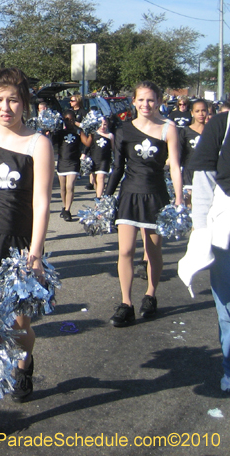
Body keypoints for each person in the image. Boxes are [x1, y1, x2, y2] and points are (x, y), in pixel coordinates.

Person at [0, 67, 53, 407]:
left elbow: (41, 201)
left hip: (20, 246)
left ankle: (24, 363)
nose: (5, 107)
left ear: (24, 104)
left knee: (20, 327)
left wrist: (34, 253)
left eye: (13, 100)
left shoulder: (38, 143)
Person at [105, 81, 183, 327]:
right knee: (126, 251)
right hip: (129, 196)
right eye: (141, 100)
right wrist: (105, 197)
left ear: (159, 100)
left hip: (156, 196)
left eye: (150, 100)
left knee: (152, 252)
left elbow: (176, 168)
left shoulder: (168, 129)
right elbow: (118, 167)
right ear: (134, 102)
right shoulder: (124, 130)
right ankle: (126, 303)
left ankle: (150, 294)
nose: (145, 104)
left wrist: (179, 199)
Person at [187, 109, 230, 392]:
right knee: (227, 310)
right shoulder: (221, 125)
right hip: (225, 229)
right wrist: (201, 232)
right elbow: (203, 183)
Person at [54, 111, 92, 221]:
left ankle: (67, 210)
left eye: (71, 119)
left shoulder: (79, 132)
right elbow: (51, 141)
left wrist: (91, 132)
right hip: (62, 163)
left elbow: (87, 143)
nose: (69, 122)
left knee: (70, 186)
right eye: (66, 119)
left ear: (75, 120)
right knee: (63, 188)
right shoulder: (60, 133)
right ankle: (64, 206)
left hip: (74, 163)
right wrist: (49, 131)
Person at [181, 98, 208, 200]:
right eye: (197, 111)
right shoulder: (185, 131)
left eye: (203, 110)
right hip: (189, 172)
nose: (201, 114)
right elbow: (180, 153)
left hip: (207, 172)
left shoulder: (212, 130)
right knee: (190, 203)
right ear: (192, 113)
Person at [92, 116, 115, 199]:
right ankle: (98, 193)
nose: (102, 126)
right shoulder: (93, 134)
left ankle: (98, 198)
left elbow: (113, 149)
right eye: (100, 124)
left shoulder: (110, 136)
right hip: (94, 160)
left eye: (105, 124)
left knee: (101, 178)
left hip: (105, 160)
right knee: (95, 181)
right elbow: (88, 146)